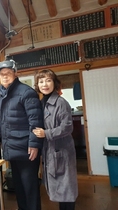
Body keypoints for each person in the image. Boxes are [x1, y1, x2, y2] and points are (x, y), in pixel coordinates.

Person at [0, 59, 44, 210]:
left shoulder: (26, 92)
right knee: (19, 187)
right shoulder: (1, 94)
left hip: (26, 149)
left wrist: (34, 144)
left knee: (30, 188)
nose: (5, 76)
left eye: (8, 73)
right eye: (2, 74)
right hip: (11, 149)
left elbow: (35, 121)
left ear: (15, 73)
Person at [33, 69, 78, 210]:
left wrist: (46, 133)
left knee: (66, 188)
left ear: (54, 83)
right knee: (59, 188)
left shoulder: (60, 102)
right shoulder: (41, 102)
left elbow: (67, 127)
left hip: (62, 150)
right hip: (50, 150)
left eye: (48, 80)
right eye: (41, 81)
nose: (44, 84)